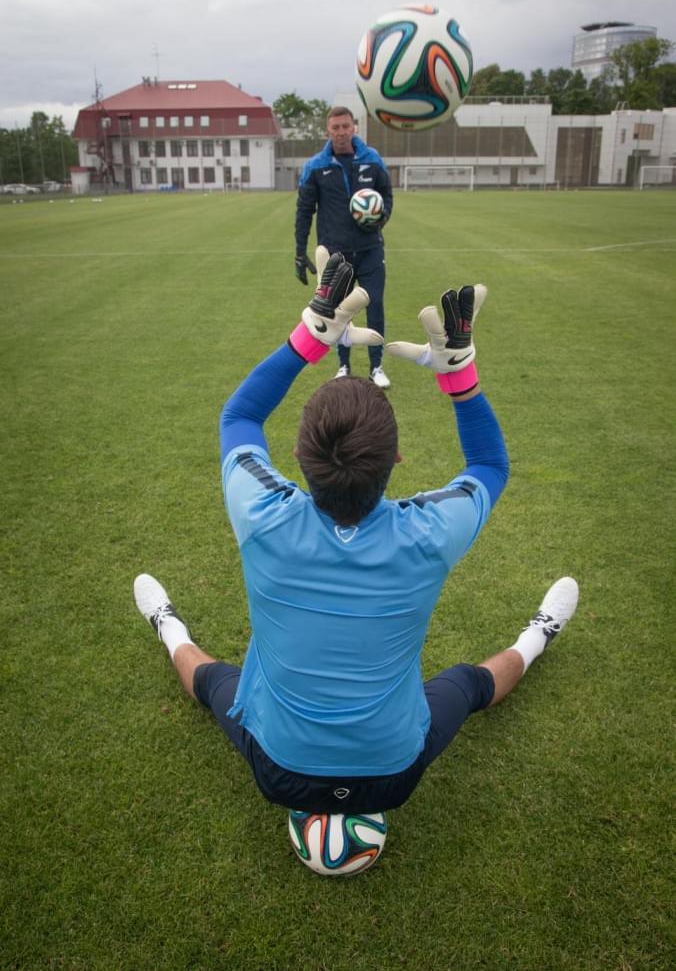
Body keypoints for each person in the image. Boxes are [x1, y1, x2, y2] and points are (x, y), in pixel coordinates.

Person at [134, 254, 578, 816]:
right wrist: (458, 375)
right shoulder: (427, 533)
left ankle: (166, 624)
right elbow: (489, 465)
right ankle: (539, 634)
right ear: (396, 459)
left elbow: (239, 418)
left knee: (214, 679)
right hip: (391, 775)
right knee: (465, 686)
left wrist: (311, 336)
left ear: (298, 456)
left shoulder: (264, 515)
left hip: (278, 771)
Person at [294, 106, 394, 388]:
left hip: (370, 249)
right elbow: (304, 210)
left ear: (354, 128)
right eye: (335, 127)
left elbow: (386, 195)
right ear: (328, 130)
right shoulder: (316, 166)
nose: (340, 132)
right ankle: (343, 365)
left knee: (375, 306)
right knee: (338, 311)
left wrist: (380, 220)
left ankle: (377, 367)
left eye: (345, 126)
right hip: (336, 256)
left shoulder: (372, 159)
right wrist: (300, 252)